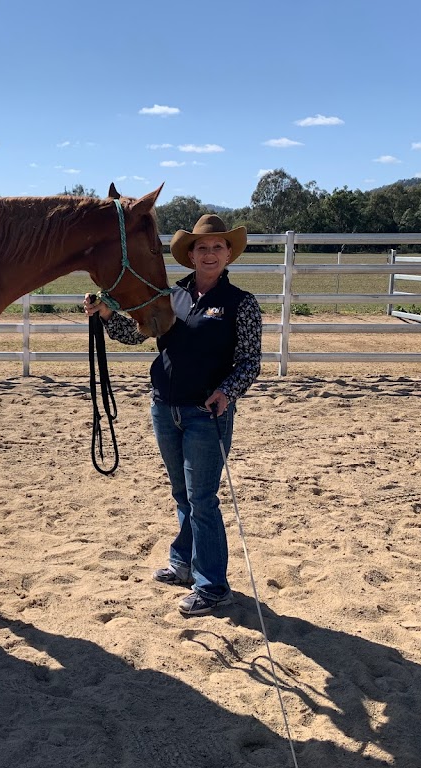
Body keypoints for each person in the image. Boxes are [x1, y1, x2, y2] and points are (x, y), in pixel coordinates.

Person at [84, 213, 262, 617]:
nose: (210, 253)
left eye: (218, 247)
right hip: (164, 407)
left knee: (202, 499)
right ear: (191, 255)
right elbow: (141, 332)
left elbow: (250, 361)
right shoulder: (172, 295)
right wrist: (108, 316)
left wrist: (226, 392)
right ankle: (183, 563)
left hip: (206, 412)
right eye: (203, 247)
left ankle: (213, 587)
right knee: (183, 494)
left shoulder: (241, 304)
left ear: (229, 254)